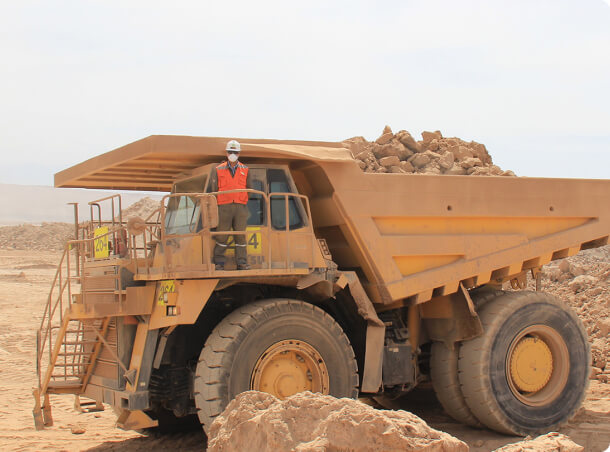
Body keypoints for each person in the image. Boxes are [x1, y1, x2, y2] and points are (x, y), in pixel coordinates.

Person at [209, 140, 251, 270]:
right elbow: (214, 189)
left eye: (235, 152)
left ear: (239, 153)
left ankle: (242, 263)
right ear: (227, 153)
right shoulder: (218, 169)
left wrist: (242, 200)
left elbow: (249, 188)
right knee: (222, 235)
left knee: (240, 235)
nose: (233, 154)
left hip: (240, 207)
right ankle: (219, 263)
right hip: (224, 207)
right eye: (230, 152)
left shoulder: (245, 169)